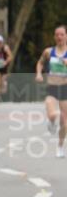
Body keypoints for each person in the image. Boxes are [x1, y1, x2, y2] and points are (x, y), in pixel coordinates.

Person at [35, 24, 67, 158]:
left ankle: (60, 146)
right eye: (57, 35)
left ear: (66, 36)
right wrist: (39, 74)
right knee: (52, 114)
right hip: (52, 87)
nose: (59, 37)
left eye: (62, 34)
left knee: (65, 122)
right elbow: (40, 63)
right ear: (54, 37)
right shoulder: (48, 52)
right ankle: (52, 121)